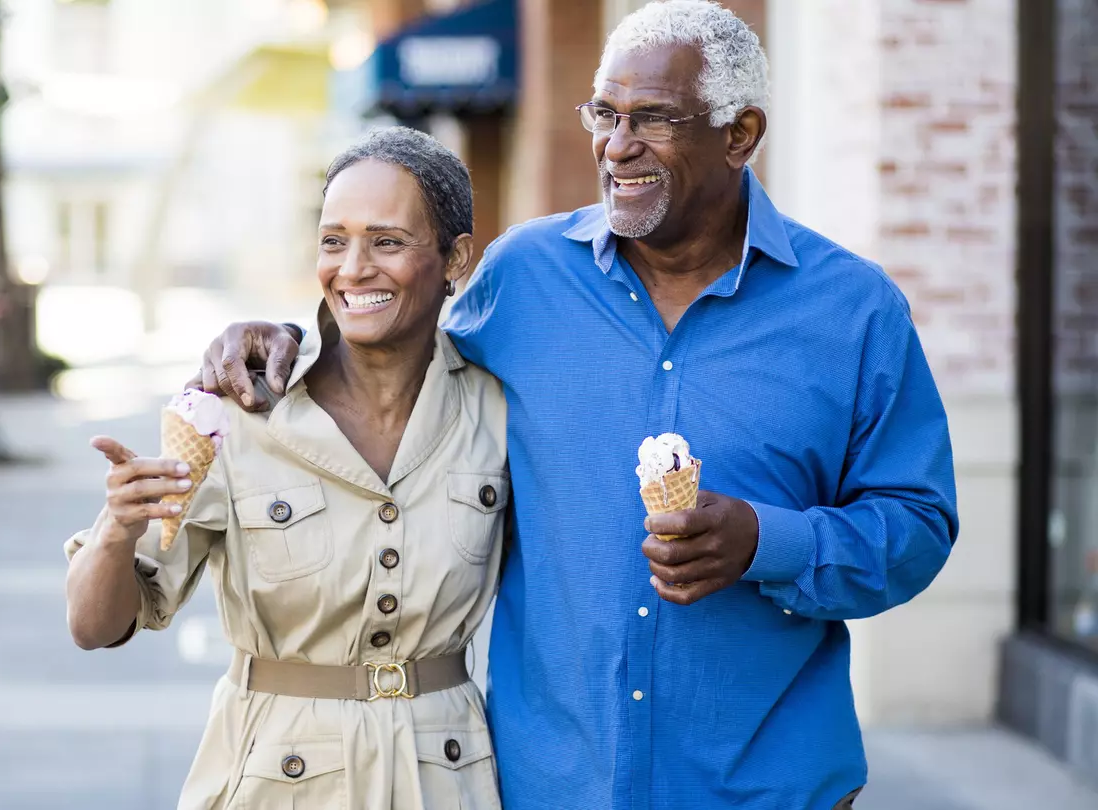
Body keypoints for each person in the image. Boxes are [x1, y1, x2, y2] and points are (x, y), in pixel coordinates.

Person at [192, 2, 959, 809]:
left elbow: (917, 526)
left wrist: (767, 542)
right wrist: (281, 338)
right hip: (550, 784)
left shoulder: (853, 312)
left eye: (654, 119)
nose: (617, 146)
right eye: (605, 113)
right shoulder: (523, 279)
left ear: (741, 134)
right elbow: (394, 364)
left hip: (765, 787)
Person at [64, 127, 508, 809]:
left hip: (444, 780)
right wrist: (118, 532)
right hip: (275, 780)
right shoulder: (238, 412)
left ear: (455, 259)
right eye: (334, 241)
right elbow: (95, 626)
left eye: (387, 241)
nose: (354, 267)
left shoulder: (497, 412)